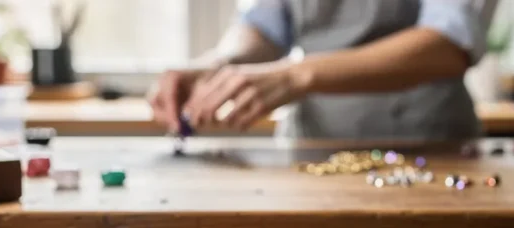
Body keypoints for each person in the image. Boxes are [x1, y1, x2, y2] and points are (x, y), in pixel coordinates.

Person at [149, 0, 496, 139]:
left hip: (429, 148)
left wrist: (295, 74)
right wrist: (218, 65)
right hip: (311, 148)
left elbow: (450, 43)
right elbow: (266, 24)